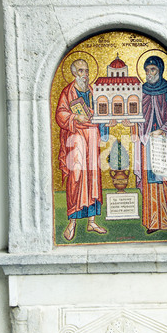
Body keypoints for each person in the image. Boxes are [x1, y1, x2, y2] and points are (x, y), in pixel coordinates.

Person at [55, 59, 108, 241]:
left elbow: (104, 110)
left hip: (92, 137)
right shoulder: (68, 92)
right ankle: (72, 222)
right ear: (74, 73)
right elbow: (60, 114)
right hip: (76, 137)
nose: (84, 74)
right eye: (80, 71)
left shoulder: (94, 91)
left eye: (86, 70)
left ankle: (92, 221)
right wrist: (75, 116)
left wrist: (105, 118)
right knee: (76, 177)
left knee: (93, 177)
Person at [133, 55, 167, 235]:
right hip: (148, 144)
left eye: (152, 69)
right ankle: (153, 221)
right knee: (151, 183)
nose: (149, 73)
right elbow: (136, 115)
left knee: (166, 181)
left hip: (165, 143)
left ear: (160, 70)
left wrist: (163, 129)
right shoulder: (141, 91)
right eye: (146, 70)